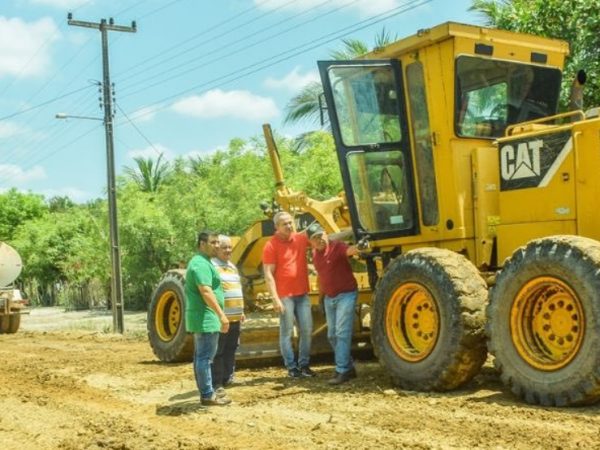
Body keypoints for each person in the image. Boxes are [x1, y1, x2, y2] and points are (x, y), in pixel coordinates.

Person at [262, 211, 316, 378]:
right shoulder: (270, 245)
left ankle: (304, 365)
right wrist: (275, 298)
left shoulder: (300, 239)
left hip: (302, 293)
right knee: (286, 332)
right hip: (284, 295)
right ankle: (292, 367)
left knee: (306, 330)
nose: (289, 226)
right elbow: (268, 274)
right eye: (284, 223)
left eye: (290, 222)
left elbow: (321, 238)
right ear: (276, 227)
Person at [306, 223, 359, 385]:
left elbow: (351, 251)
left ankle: (341, 370)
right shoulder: (315, 255)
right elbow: (322, 278)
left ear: (326, 234)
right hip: (329, 298)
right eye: (315, 238)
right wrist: (322, 298)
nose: (319, 239)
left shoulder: (338, 247)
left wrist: (360, 247)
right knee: (332, 335)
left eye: (321, 235)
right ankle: (348, 367)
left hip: (346, 295)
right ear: (311, 242)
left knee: (342, 332)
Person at [184, 230, 231, 406]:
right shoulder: (200, 264)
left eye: (218, 242)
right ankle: (207, 394)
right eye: (213, 242)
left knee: (202, 357)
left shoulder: (204, 262)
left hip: (205, 318)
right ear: (202, 244)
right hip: (206, 318)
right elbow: (205, 291)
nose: (217, 246)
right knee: (205, 357)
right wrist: (221, 315)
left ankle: (207, 392)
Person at [211, 234, 245, 395]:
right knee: (219, 350)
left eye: (230, 247)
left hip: (235, 316)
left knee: (232, 347)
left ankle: (228, 377)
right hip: (221, 318)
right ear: (217, 248)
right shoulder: (212, 266)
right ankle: (217, 382)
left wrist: (241, 311)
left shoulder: (232, 266)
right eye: (224, 247)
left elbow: (237, 288)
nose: (228, 250)